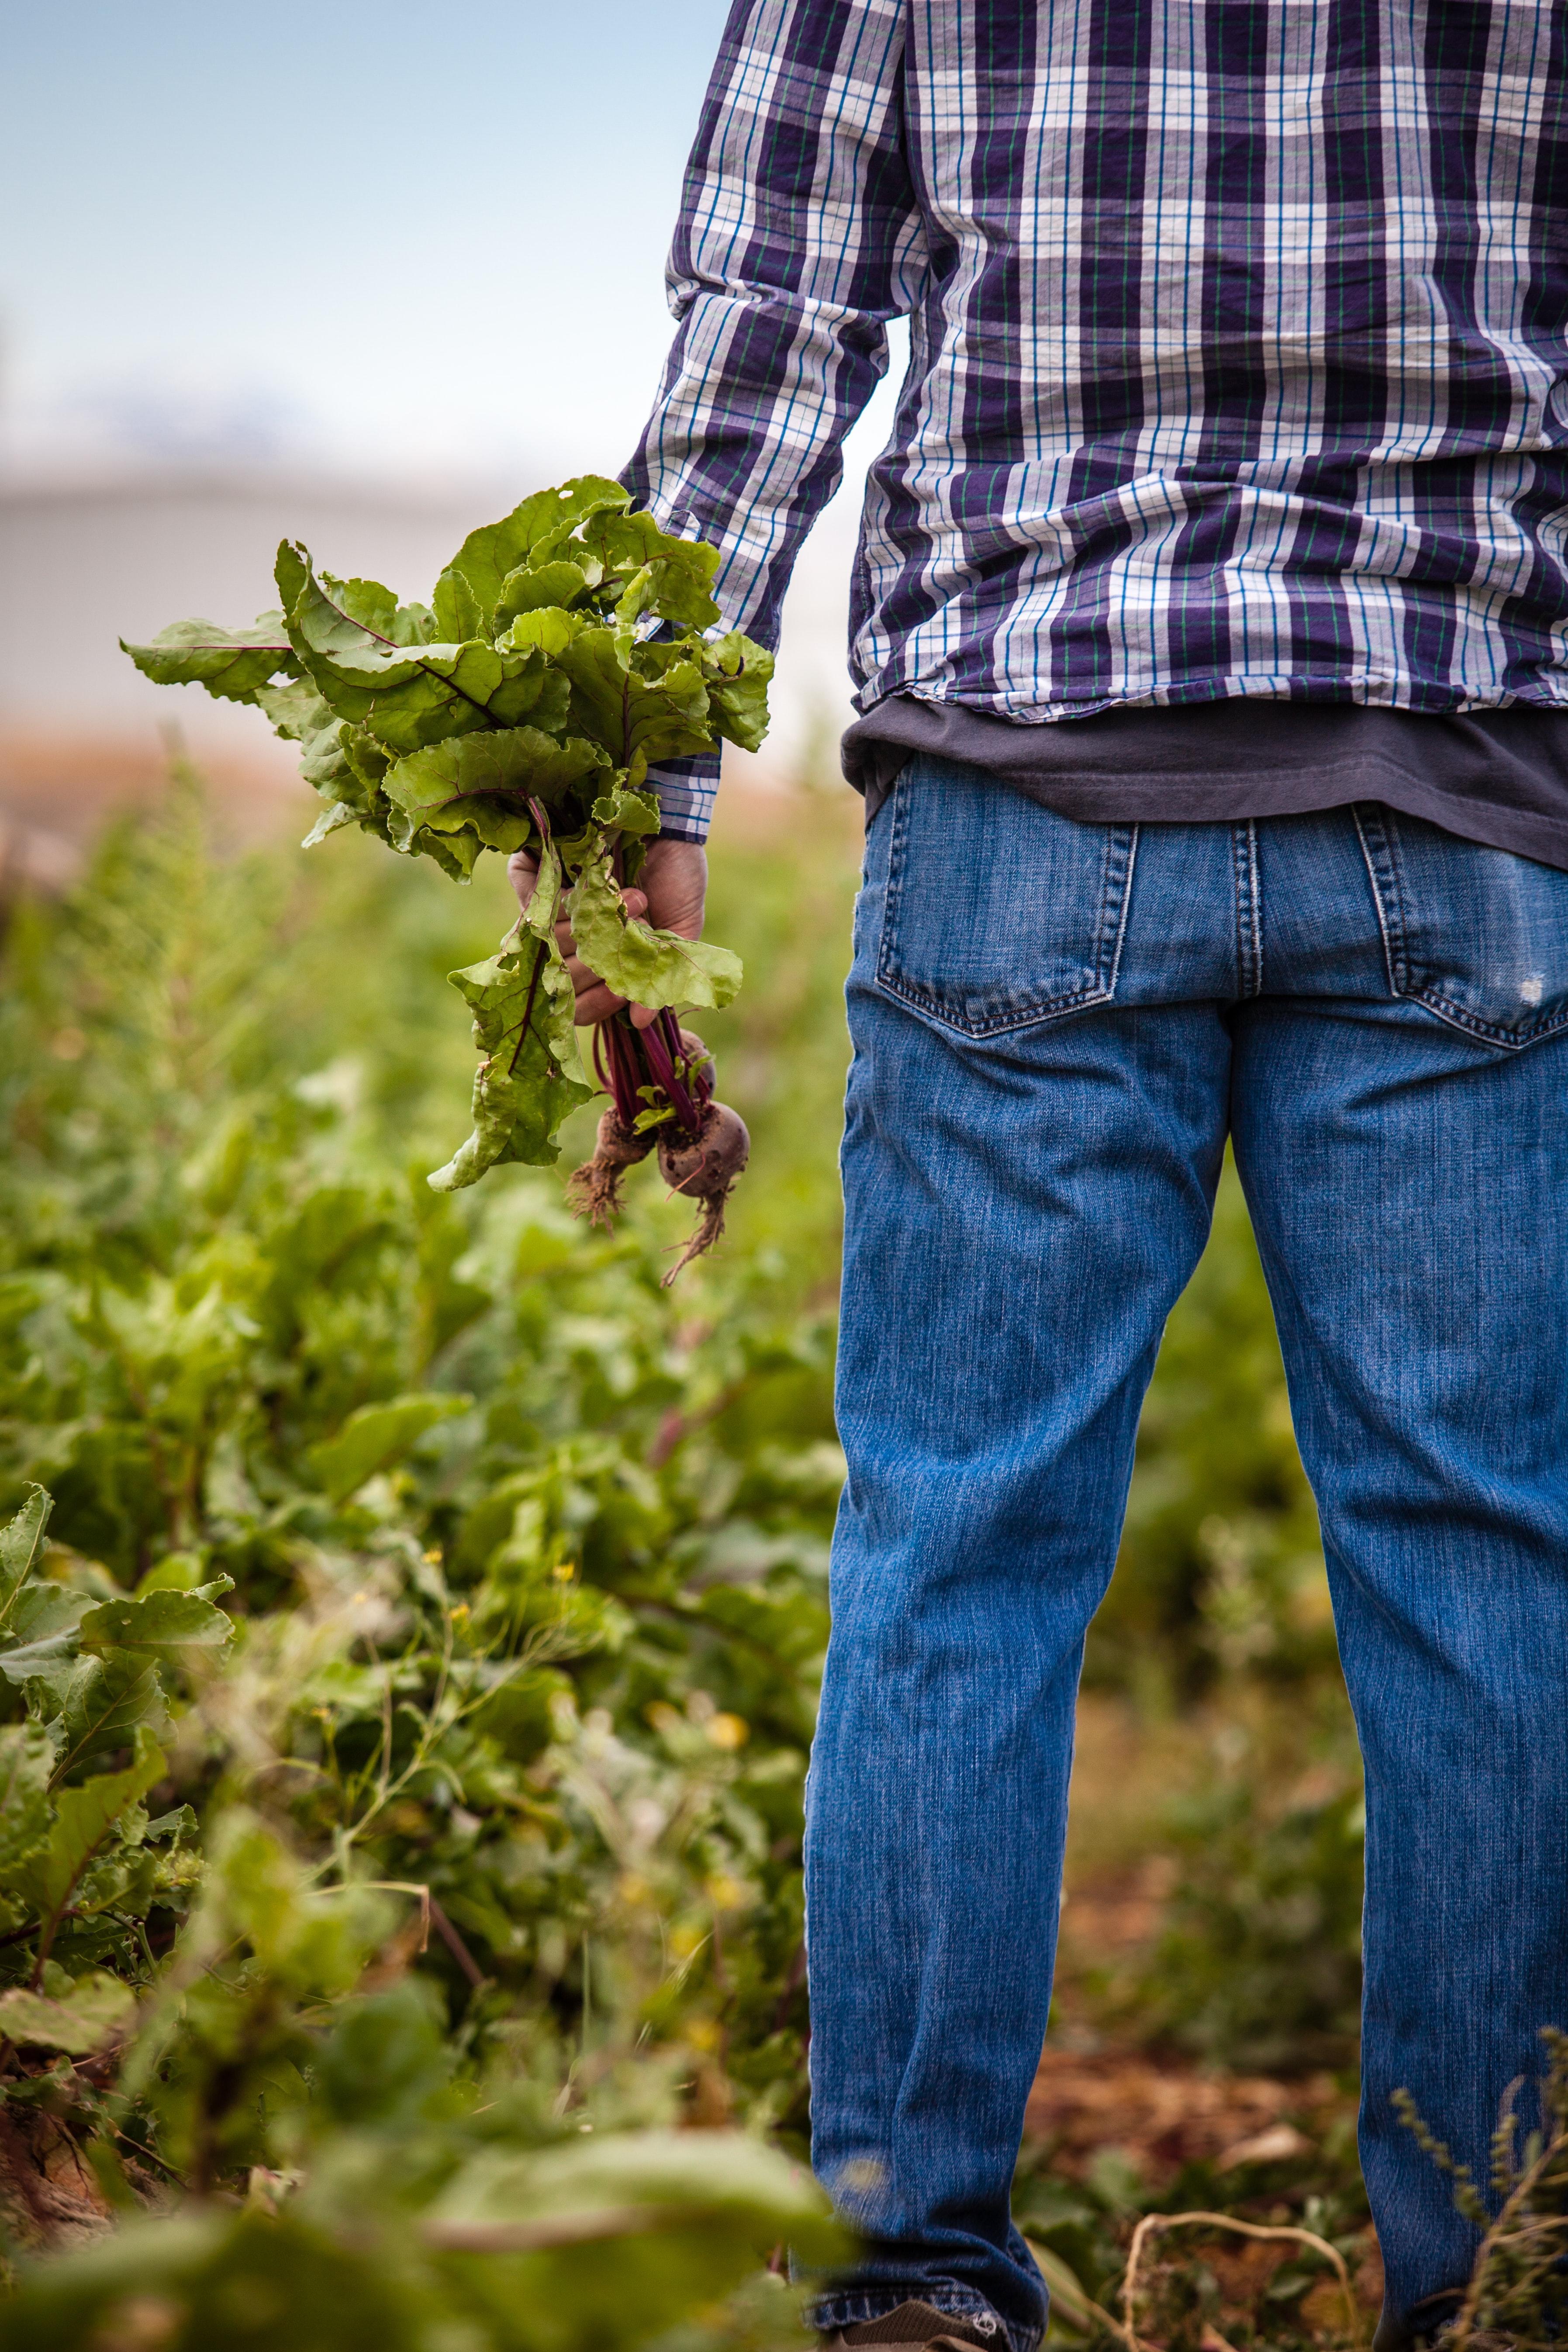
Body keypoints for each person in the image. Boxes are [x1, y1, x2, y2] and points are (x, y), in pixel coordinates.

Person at [513, 2, 1568, 2345]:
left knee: (955, 1538)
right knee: (1486, 1559)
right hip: (1466, 807)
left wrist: (648, 802)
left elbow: (761, 328)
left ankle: (909, 2281)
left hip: (1021, 802)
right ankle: (1497, 2280)